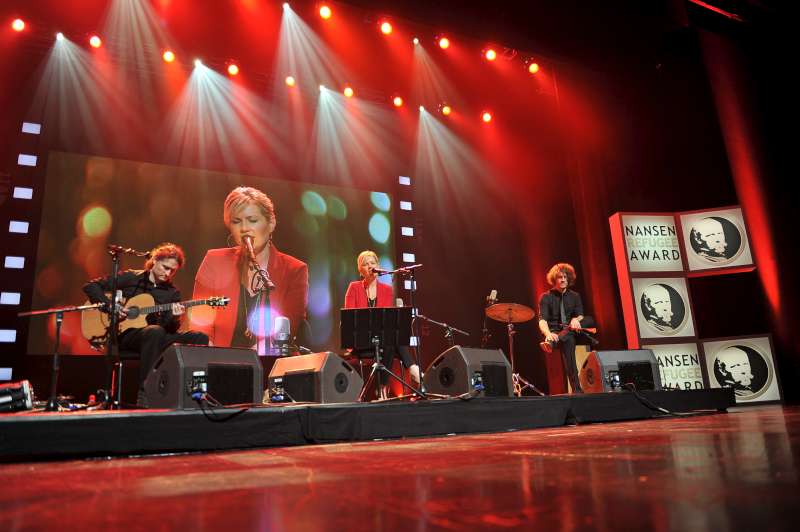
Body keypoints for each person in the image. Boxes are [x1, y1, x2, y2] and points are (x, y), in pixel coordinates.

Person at [83, 242, 209, 405]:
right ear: (155, 261)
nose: (168, 273)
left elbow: (168, 328)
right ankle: (146, 393)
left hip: (155, 337)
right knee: (154, 331)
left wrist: (174, 317)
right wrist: (110, 306)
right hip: (125, 335)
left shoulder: (172, 293)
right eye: (165, 267)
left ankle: (197, 394)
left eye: (172, 270)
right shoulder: (132, 278)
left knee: (199, 337)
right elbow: (91, 286)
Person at [191, 186, 309, 357]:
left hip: (270, 364)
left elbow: (285, 328)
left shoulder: (295, 270)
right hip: (218, 363)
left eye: (252, 220)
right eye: (236, 221)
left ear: (271, 224)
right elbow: (200, 321)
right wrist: (211, 357)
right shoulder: (214, 261)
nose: (244, 228)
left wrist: (248, 361)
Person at [344, 250, 421, 399]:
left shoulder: (386, 290)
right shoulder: (353, 287)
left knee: (390, 339)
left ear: (378, 266)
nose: (370, 267)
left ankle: (382, 388)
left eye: (373, 263)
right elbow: (350, 318)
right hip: (361, 340)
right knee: (391, 339)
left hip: (381, 338)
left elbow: (386, 321)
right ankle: (412, 369)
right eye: (366, 264)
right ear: (361, 270)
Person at [537, 262, 595, 394]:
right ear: (554, 280)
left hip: (571, 329)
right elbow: (542, 320)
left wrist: (576, 319)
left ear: (569, 279)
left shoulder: (575, 296)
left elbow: (581, 315)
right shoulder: (546, 297)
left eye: (565, 277)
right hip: (554, 332)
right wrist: (547, 334)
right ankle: (577, 390)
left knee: (589, 319)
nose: (563, 280)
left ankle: (550, 344)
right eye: (560, 277)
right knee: (567, 340)